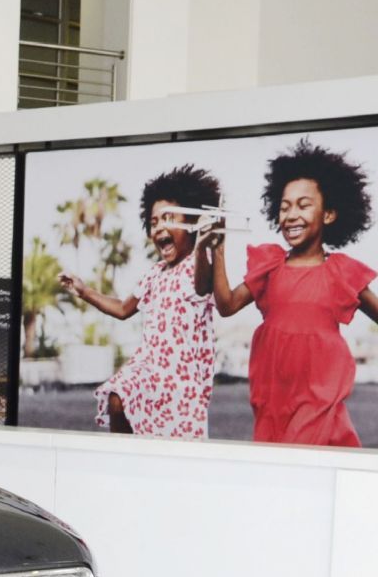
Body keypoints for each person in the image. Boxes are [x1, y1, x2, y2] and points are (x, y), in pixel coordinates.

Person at [198, 138, 378, 447]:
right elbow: (226, 305)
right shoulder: (270, 265)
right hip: (272, 393)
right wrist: (219, 251)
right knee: (280, 459)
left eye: (303, 205)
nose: (291, 215)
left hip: (319, 394)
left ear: (329, 214)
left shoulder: (342, 271)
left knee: (304, 450)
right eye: (284, 207)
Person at [59, 164, 221, 438]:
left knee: (175, 451)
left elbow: (202, 285)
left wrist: (204, 243)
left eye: (168, 218)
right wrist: (85, 291)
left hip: (182, 384)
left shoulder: (198, 263)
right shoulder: (154, 274)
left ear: (191, 222)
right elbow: (123, 309)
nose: (159, 228)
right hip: (150, 371)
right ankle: (123, 456)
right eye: (154, 222)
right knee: (117, 397)